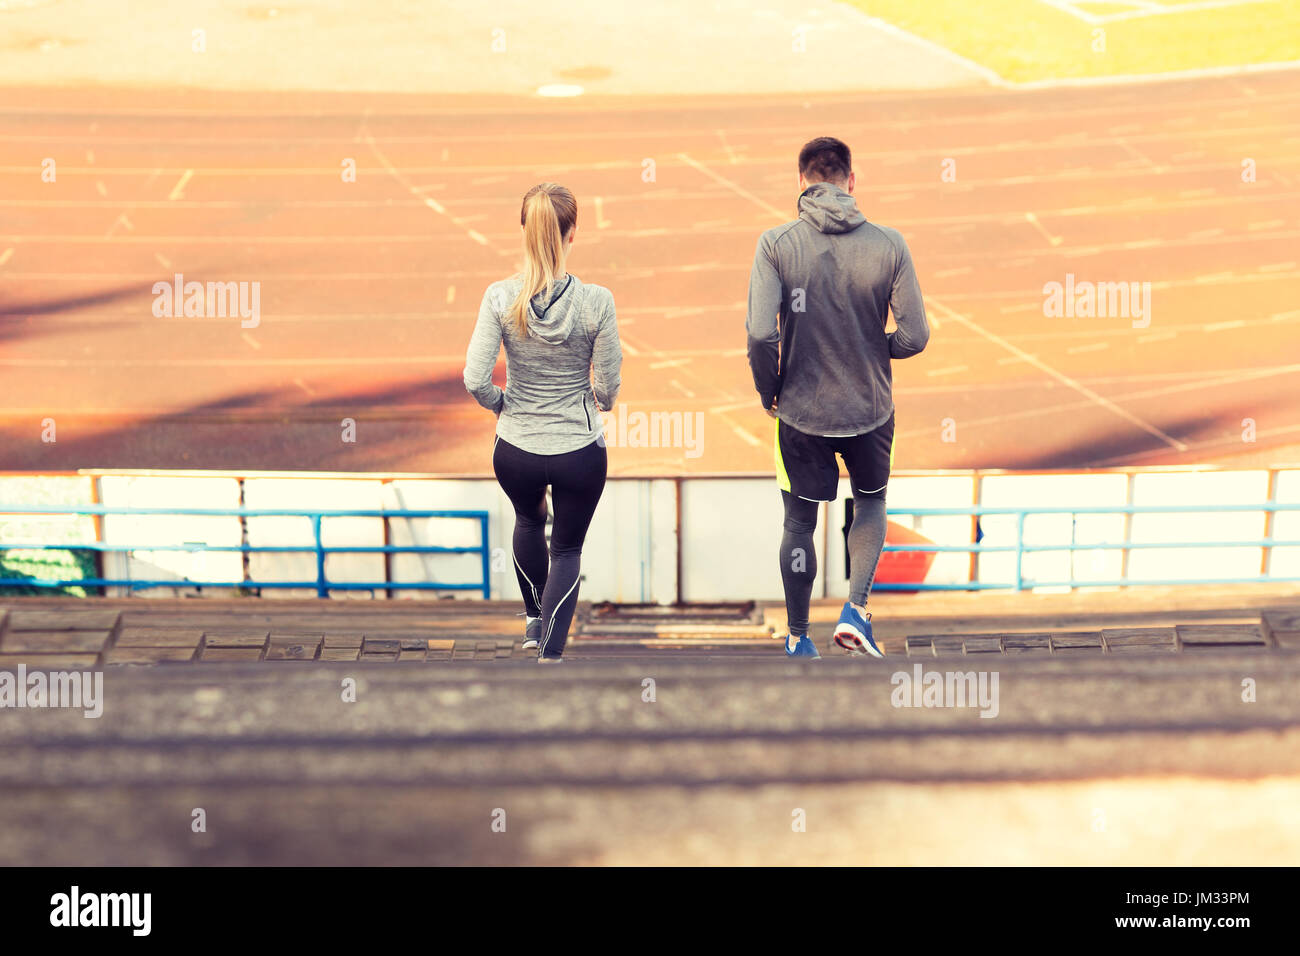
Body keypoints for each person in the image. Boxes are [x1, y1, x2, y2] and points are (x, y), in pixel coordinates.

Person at [746, 137, 930, 659]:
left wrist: (771, 390)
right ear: (852, 181)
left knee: (798, 524)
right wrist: (874, 348)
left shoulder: (775, 245)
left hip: (801, 412)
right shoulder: (889, 245)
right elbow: (915, 337)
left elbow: (761, 335)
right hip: (871, 410)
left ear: (801, 183)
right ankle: (855, 611)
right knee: (871, 502)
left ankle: (799, 638)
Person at [464, 183, 621, 662]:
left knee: (529, 519)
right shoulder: (597, 301)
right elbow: (610, 385)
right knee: (567, 550)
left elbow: (474, 377)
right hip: (578, 450)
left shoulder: (499, 297)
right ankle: (549, 656)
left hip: (517, 448)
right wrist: (595, 400)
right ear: (572, 232)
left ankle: (534, 622)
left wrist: (502, 404)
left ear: (523, 231)